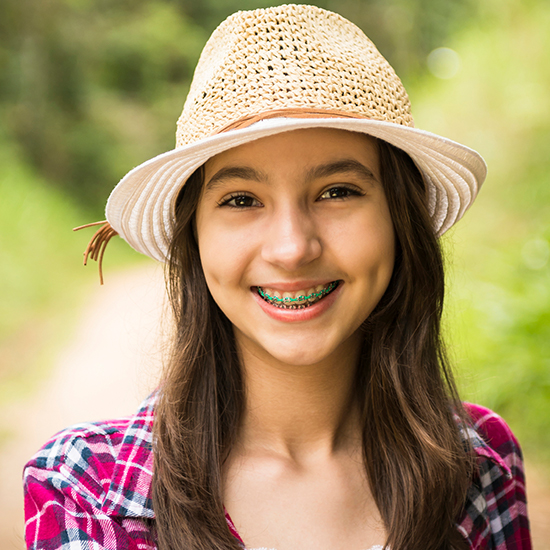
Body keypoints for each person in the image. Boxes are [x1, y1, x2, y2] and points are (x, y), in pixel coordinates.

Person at [23, 4, 531, 550]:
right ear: (195, 237)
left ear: (398, 219)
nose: (292, 248)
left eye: (338, 191)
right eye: (241, 200)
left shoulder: (480, 465)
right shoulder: (85, 491)